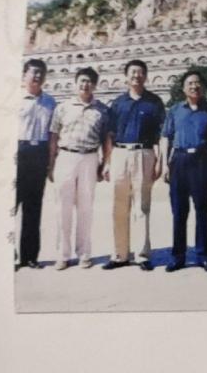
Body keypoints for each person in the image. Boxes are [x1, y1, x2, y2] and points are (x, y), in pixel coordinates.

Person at [101, 60, 166, 271]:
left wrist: (159, 161)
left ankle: (142, 255)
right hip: (119, 154)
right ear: (126, 76)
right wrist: (107, 162)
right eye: (133, 72)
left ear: (146, 76)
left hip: (144, 154)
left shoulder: (154, 102)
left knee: (142, 206)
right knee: (118, 205)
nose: (136, 75)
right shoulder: (118, 103)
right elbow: (110, 134)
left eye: (140, 72)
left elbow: (161, 135)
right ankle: (120, 254)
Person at [48, 67, 108, 270]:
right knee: (62, 208)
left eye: (90, 81)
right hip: (65, 156)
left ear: (95, 85)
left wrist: (104, 163)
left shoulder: (102, 110)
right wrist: (51, 164)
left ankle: (84, 253)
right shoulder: (62, 108)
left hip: (90, 158)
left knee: (86, 208)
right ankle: (62, 255)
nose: (85, 84)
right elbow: (53, 137)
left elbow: (106, 139)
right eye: (82, 80)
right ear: (76, 83)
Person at [161, 71, 207, 273]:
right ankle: (178, 256)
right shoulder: (175, 110)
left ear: (203, 87)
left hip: (202, 161)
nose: (194, 86)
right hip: (179, 160)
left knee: (203, 210)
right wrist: (165, 164)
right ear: (184, 88)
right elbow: (166, 137)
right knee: (179, 211)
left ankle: (205, 256)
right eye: (190, 83)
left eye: (198, 83)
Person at [16, 59, 57, 270]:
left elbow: (52, 134)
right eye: (34, 72)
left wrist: (50, 163)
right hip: (17, 153)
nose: (38, 76)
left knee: (33, 208)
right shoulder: (14, 99)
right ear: (24, 75)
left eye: (41, 73)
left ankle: (30, 257)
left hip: (39, 153)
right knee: (9, 208)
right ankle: (6, 255)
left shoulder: (50, 102)